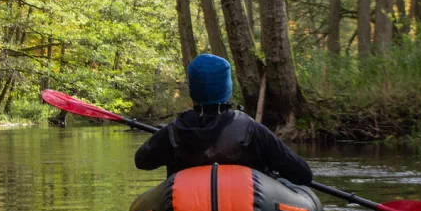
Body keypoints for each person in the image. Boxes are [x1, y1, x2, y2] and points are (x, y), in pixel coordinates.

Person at [134, 53, 313, 185]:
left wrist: (165, 140)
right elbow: (303, 174)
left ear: (192, 91)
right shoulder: (250, 129)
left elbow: (142, 161)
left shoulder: (174, 131)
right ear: (226, 89)